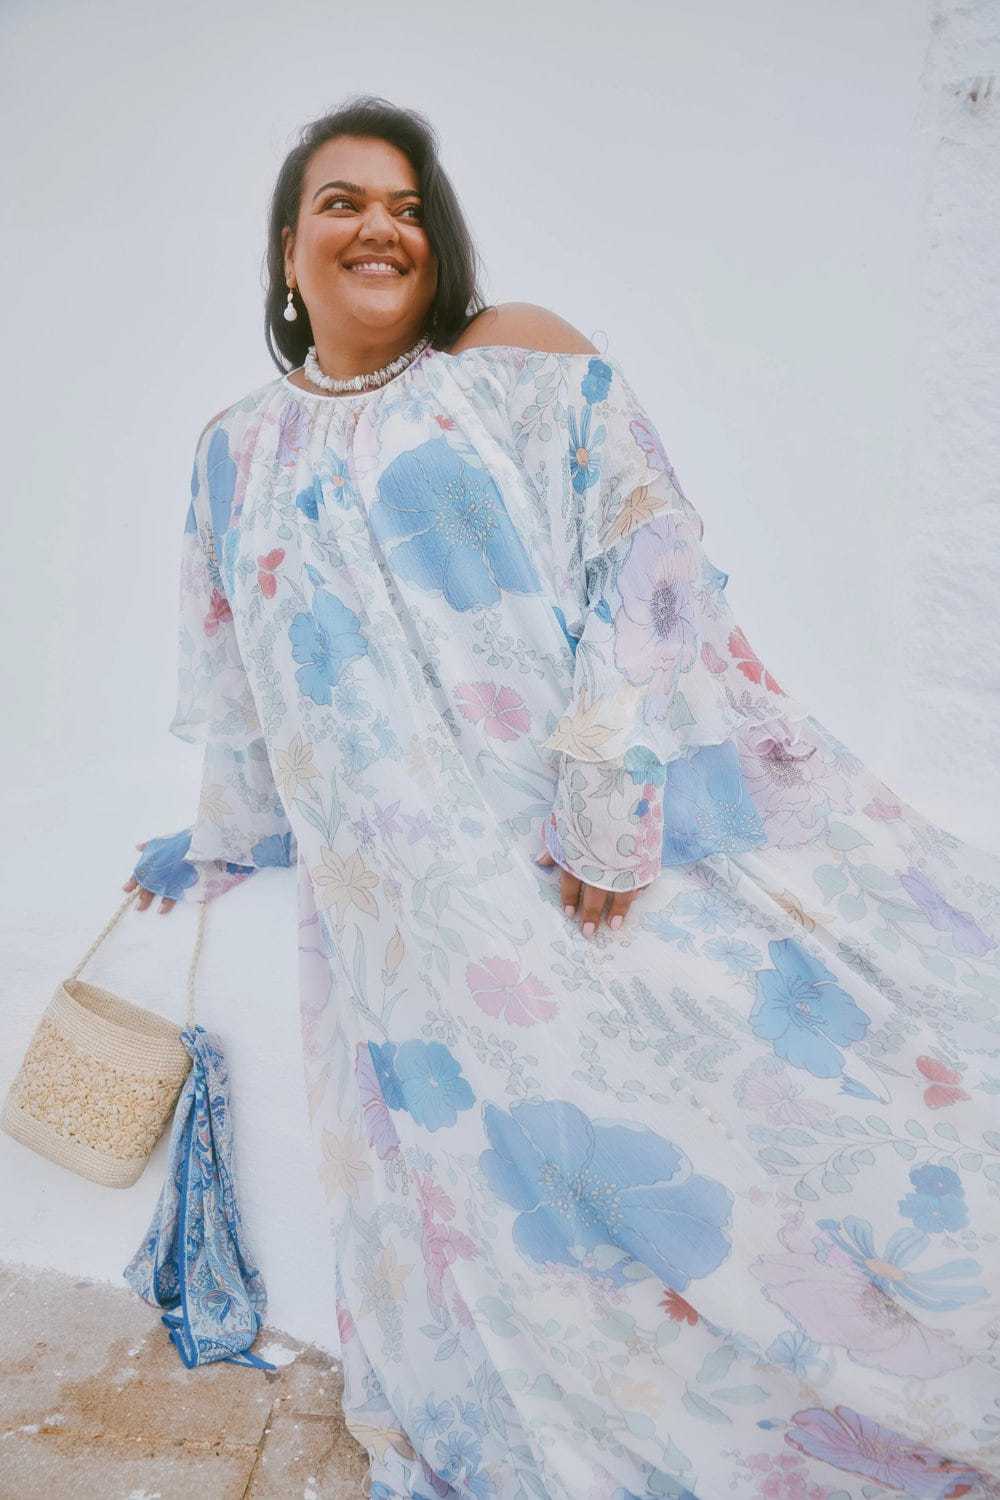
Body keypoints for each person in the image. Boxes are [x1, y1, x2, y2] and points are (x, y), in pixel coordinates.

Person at [124, 95, 1000, 1500]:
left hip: (565, 860)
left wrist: (609, 776)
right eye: (343, 202)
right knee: (509, 1207)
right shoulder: (232, 450)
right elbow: (241, 668)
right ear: (288, 248)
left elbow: (648, 554)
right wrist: (220, 833)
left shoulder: (508, 358)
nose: (381, 225)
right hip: (397, 915)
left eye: (407, 206)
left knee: (714, 1117)